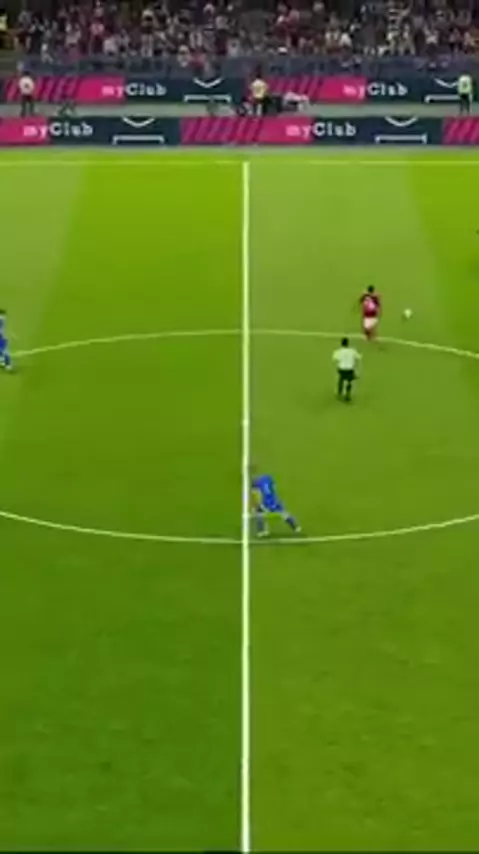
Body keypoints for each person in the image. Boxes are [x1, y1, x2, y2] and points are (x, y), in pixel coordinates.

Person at [251, 469, 301, 538]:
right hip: (275, 500)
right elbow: (274, 487)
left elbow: (257, 496)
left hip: (267, 503)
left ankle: (261, 531)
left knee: (259, 513)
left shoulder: (255, 486)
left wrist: (257, 506)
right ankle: (295, 527)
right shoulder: (267, 478)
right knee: (283, 513)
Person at [333, 337, 361, 402]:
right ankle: (348, 393)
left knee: (341, 378)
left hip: (341, 369)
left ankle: (340, 392)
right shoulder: (352, 351)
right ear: (348, 343)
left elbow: (334, 358)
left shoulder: (339, 351)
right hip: (350, 370)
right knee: (349, 381)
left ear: (341, 344)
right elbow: (359, 357)